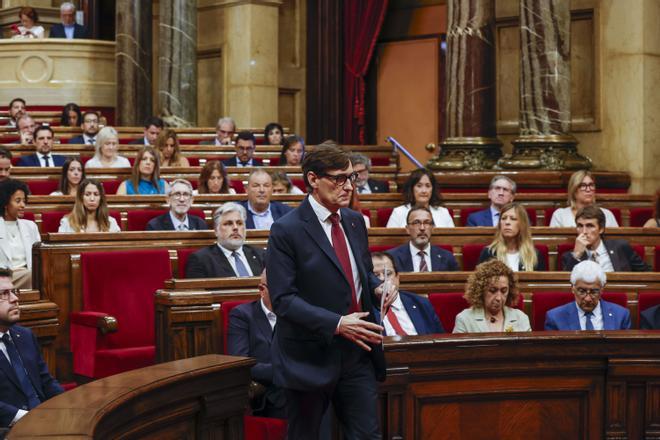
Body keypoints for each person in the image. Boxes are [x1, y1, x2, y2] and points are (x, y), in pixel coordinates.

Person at [266, 144, 396, 439]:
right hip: (309, 356)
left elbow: (362, 273)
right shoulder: (286, 230)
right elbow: (283, 300)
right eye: (339, 178)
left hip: (357, 352)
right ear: (313, 179)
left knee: (367, 435)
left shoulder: (353, 221)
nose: (348, 186)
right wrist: (337, 323)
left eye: (351, 177)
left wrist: (378, 289)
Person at [0, 267, 63, 429]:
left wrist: (69, 406)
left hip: (43, 420)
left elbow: (46, 381)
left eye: (13, 292)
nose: (14, 299)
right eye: (4, 294)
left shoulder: (25, 335)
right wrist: (26, 418)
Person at [227, 269, 286, 418]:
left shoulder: (296, 314)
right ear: (262, 289)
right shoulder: (242, 315)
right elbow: (240, 364)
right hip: (268, 392)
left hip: (300, 386)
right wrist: (286, 372)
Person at [371, 252, 444, 336]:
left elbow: (441, 340)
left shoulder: (421, 303)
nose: (383, 278)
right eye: (375, 275)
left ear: (397, 277)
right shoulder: (364, 308)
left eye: (388, 273)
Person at [545, 260, 631, 330]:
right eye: (582, 291)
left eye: (594, 292)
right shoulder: (555, 318)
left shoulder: (621, 315)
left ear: (602, 289)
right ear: (572, 288)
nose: (588, 299)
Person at [561, 206, 650, 272]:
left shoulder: (621, 247)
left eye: (590, 226)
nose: (584, 231)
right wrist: (577, 255)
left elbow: (646, 274)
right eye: (580, 226)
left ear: (601, 229)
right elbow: (567, 285)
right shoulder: (569, 257)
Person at [185, 203, 264, 278]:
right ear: (216, 230)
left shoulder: (261, 255)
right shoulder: (201, 259)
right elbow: (198, 291)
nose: (235, 227)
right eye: (228, 223)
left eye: (239, 223)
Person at [453, 259, 531, 333]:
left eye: (504, 291)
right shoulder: (465, 319)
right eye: (492, 291)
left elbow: (529, 347)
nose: (499, 298)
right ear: (480, 290)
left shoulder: (521, 318)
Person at [387, 206, 459, 272]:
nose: (422, 228)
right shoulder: (392, 258)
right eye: (416, 223)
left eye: (427, 223)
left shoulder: (447, 257)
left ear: (432, 228)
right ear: (407, 229)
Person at [477, 202, 546, 271]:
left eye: (513, 219)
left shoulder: (535, 255)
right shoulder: (489, 253)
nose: (507, 222)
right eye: (503, 218)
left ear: (522, 225)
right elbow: (480, 280)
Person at [0, 179, 40, 289]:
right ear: (5, 203)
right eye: (18, 201)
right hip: (3, 278)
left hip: (28, 275)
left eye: (24, 200)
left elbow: (39, 258)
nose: (23, 205)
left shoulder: (31, 226)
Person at [387, 168, 454, 228]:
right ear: (412, 189)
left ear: (432, 189)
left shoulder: (443, 212)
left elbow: (452, 240)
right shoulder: (398, 212)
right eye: (419, 186)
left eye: (428, 186)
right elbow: (390, 240)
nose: (424, 191)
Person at [550, 170, 619, 227]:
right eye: (583, 185)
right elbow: (553, 242)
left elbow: (617, 242)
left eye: (591, 185)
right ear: (573, 190)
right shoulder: (560, 215)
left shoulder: (606, 214)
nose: (588, 189)